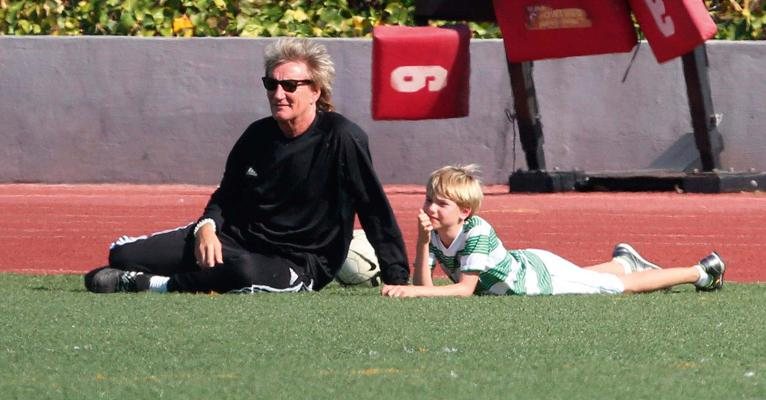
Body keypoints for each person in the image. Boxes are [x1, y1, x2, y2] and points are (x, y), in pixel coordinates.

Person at [85, 38, 409, 294]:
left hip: (298, 262)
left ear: (316, 91)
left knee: (244, 273)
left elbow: (373, 208)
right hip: (235, 242)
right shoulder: (256, 135)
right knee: (123, 256)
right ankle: (195, 274)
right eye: (271, 84)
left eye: (290, 86)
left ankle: (155, 286)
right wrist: (207, 228)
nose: (279, 94)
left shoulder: (342, 137)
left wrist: (396, 277)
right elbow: (225, 196)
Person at [381, 164, 725, 298]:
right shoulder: (437, 233)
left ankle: (702, 272)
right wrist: (423, 244)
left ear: (465, 211)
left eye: (441, 203)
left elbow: (463, 291)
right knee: (587, 276)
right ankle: (623, 260)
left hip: (536, 279)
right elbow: (423, 290)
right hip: (530, 265)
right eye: (429, 199)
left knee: (622, 288)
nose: (430, 207)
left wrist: (412, 294)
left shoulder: (477, 231)